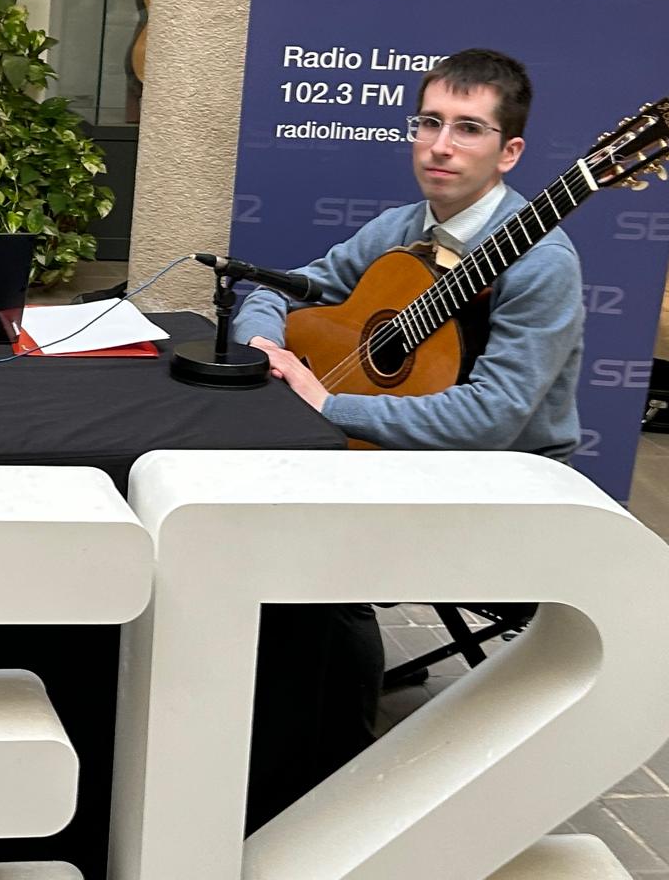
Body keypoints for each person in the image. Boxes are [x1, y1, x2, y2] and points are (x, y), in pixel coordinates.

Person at [229, 48, 584, 832]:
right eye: (429, 122)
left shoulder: (542, 264)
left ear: (509, 151)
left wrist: (331, 404)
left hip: (507, 487)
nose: (440, 145)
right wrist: (264, 342)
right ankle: (256, 741)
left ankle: (319, 793)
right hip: (402, 460)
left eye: (468, 129)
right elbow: (285, 288)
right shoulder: (401, 231)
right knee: (257, 527)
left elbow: (491, 418)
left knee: (316, 569)